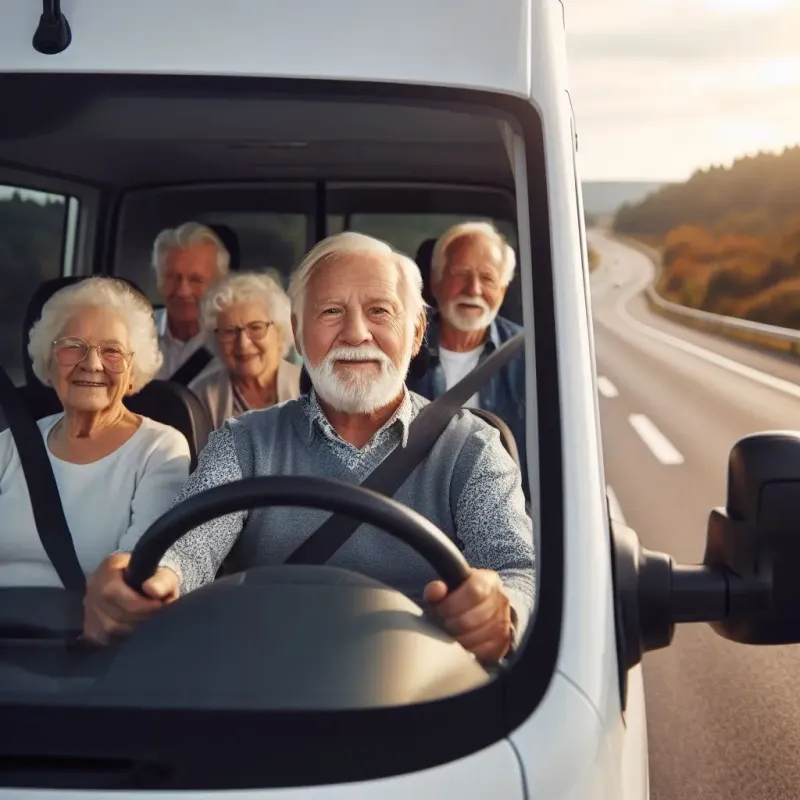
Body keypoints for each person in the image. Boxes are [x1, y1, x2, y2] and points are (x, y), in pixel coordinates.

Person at [82, 232, 535, 666]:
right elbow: (188, 550)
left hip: (423, 695)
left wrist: (500, 613)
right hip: (269, 682)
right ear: (298, 336)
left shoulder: (473, 447)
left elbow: (517, 570)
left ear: (417, 333)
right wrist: (146, 581)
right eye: (332, 312)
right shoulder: (243, 442)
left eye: (380, 311)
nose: (356, 334)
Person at [0, 277, 191, 588]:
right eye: (73, 347)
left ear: (133, 373)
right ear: (49, 366)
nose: (92, 363)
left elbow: (143, 563)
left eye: (112, 351)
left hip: (89, 631)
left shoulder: (160, 449)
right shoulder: (8, 446)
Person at [407, 221, 529, 491]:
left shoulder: (530, 357)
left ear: (503, 290)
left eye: (487, 278)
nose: (473, 289)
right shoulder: (399, 349)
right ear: (436, 281)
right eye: (460, 274)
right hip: (412, 515)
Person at [188, 272, 302, 430]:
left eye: (256, 328)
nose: (242, 344)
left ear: (280, 332)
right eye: (229, 331)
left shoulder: (312, 389)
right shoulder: (199, 397)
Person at [151, 221, 230, 380]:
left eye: (196, 280)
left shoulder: (236, 345)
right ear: (159, 280)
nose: (183, 291)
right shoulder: (132, 334)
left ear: (219, 285)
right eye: (173, 278)